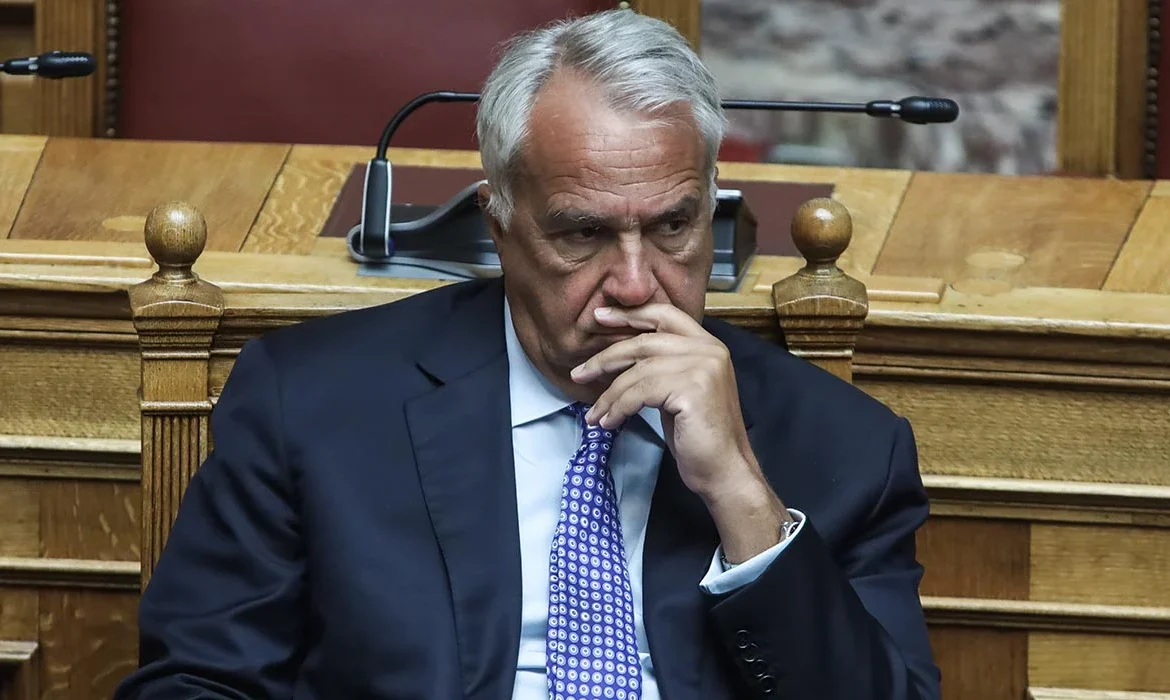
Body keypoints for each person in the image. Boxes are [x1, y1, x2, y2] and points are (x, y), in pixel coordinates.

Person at [116, 9, 940, 700]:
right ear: (499, 223)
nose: (634, 283)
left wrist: (740, 495)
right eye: (583, 233)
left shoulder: (846, 449)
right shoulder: (311, 406)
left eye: (672, 226)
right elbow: (196, 683)